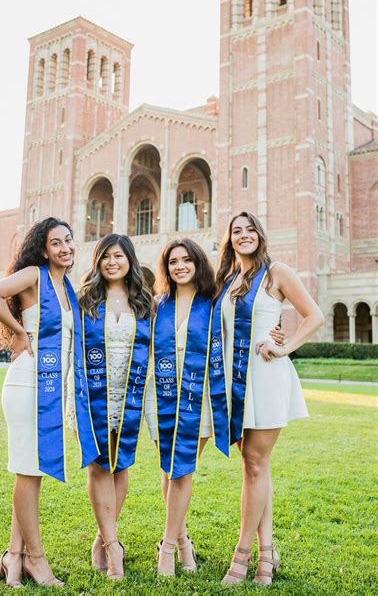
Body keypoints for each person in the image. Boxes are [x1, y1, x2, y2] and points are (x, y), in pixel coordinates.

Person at [144, 238, 284, 577]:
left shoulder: (213, 302)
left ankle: (170, 548)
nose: (180, 266)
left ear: (198, 264)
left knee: (183, 467)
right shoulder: (156, 305)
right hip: (161, 395)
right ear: (166, 267)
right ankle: (181, 543)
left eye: (186, 260)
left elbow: (241, 329)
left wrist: (275, 334)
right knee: (170, 469)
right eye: (173, 261)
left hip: (200, 396)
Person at [0, 217, 98, 589]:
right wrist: (17, 331)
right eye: (56, 243)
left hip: (48, 389)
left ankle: (14, 556)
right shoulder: (34, 275)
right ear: (43, 249)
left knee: (32, 473)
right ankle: (36, 559)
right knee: (28, 471)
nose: (65, 248)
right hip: (26, 383)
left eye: (69, 241)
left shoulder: (67, 289)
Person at [215, 212, 324, 587]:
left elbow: (314, 315)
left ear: (260, 235)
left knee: (256, 464)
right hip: (236, 381)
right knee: (253, 468)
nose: (243, 236)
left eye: (249, 230)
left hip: (265, 376)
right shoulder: (229, 280)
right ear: (229, 239)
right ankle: (266, 554)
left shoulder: (278, 272)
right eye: (236, 231)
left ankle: (242, 558)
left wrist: (284, 347)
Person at [78, 234, 152, 581]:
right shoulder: (86, 300)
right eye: (105, 256)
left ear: (129, 260)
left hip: (130, 393)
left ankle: (102, 538)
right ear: (97, 261)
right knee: (98, 466)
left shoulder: (144, 302)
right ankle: (112, 545)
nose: (111, 262)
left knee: (121, 466)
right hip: (95, 392)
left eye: (118, 256)